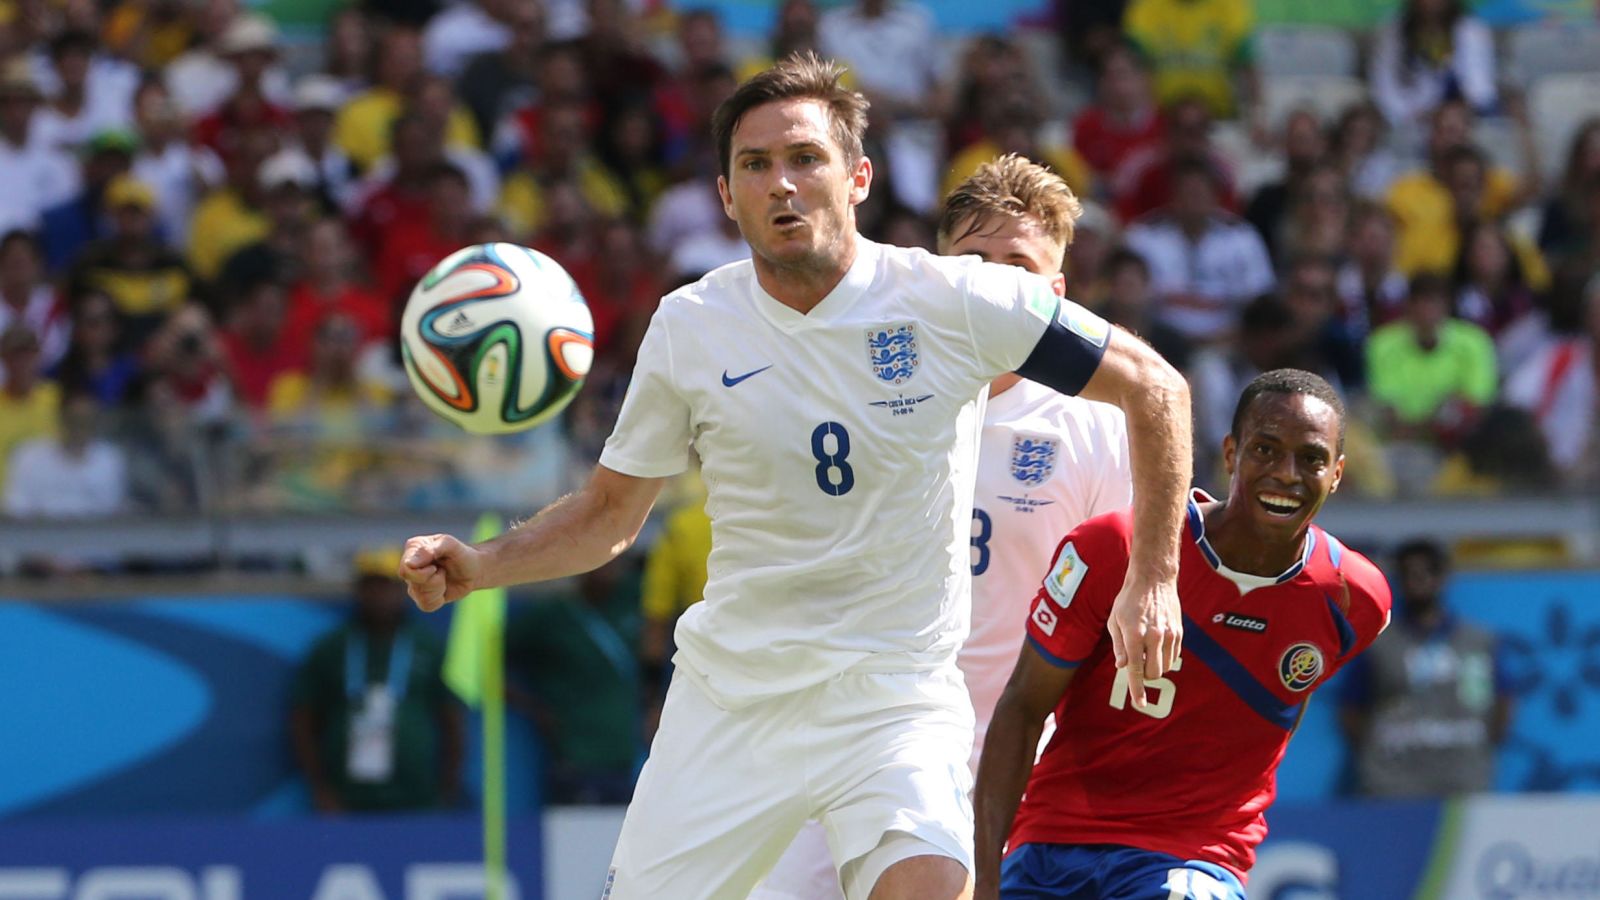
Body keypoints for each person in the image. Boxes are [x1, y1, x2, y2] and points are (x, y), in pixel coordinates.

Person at [399, 54, 1190, 899]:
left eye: (805, 158)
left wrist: (1155, 578)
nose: (782, 184)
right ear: (725, 194)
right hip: (734, 704)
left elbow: (1157, 388)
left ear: (857, 178)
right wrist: (480, 564)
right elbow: (608, 514)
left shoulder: (957, 300)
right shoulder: (691, 326)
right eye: (755, 164)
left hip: (894, 700)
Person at [755, 153, 1138, 900]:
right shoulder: (860, 389)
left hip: (1014, 775)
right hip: (850, 750)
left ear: (1057, 292)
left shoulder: (1100, 427)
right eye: (974, 259)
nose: (995, 279)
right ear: (939, 271)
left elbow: (1126, 608)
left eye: (1019, 264)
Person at [974, 368, 1393, 900]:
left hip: (1192, 856)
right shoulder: (1113, 548)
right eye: (1265, 450)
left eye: (1310, 458)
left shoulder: (1354, 599)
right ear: (1229, 453)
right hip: (1052, 845)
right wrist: (984, 877)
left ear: (1336, 473)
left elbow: (1282, 697)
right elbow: (1022, 707)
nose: (1287, 474)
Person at [289, 548, 464, 813]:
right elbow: (303, 719)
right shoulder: (332, 647)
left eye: (388, 587)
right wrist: (320, 788)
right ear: (358, 590)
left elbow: (452, 718)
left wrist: (448, 787)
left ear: (406, 590)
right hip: (346, 797)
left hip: (418, 796)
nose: (379, 596)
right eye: (371, 586)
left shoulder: (427, 645)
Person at [1339, 538, 1511, 797]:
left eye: (1427, 571)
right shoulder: (1377, 644)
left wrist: (1477, 744)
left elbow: (1502, 702)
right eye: (1408, 573)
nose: (1418, 580)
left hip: (1463, 777)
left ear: (1443, 576)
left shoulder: (1478, 642)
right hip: (1392, 783)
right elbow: (1352, 707)